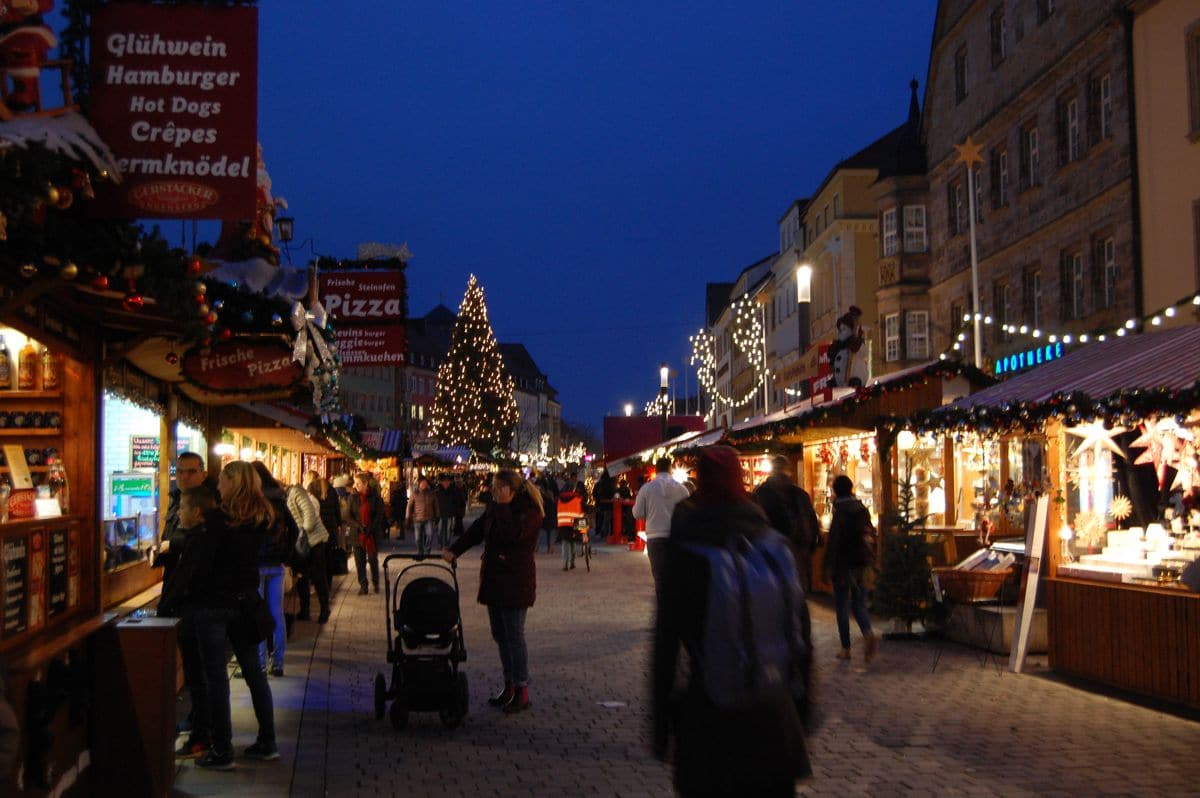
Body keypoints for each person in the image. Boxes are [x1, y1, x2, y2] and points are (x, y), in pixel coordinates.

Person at [652, 446, 812, 796]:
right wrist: (801, 711)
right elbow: (801, 633)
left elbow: (665, 645)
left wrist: (660, 726)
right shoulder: (774, 546)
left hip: (710, 719)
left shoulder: (687, 554)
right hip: (773, 721)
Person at [191, 461, 280, 769]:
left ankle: (222, 748)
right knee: (254, 673)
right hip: (245, 602)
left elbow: (205, 562)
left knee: (216, 678)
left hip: (214, 604)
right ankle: (268, 741)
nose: (218, 485)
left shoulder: (217, 520)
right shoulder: (260, 518)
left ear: (232, 483)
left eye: (222, 481)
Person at [442, 469, 543, 714]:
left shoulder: (527, 510)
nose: (494, 491)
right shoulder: (495, 508)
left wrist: (505, 506)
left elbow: (513, 536)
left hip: (515, 580)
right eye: (494, 487)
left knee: (514, 636)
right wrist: (454, 550)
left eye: (499, 487)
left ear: (512, 488)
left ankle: (521, 689)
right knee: (500, 635)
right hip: (495, 579)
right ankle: (509, 685)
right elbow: (477, 531)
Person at [159, 486, 218, 760]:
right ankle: (202, 732)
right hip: (196, 615)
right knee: (200, 678)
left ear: (196, 512)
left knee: (199, 678)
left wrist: (169, 605)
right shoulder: (197, 536)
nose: (178, 514)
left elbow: (188, 579)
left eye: (182, 509)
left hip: (196, 616)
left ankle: (201, 738)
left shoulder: (200, 541)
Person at [823, 474, 877, 663]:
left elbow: (834, 542)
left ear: (836, 491)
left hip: (843, 566)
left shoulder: (840, 512)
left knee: (842, 606)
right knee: (859, 604)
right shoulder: (863, 509)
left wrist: (827, 565)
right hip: (862, 564)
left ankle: (846, 648)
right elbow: (871, 533)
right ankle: (868, 633)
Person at [250, 462, 294, 677]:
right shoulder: (279, 498)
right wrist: (285, 556)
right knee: (277, 614)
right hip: (276, 564)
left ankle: (259, 664)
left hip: (256, 564)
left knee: (257, 614)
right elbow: (294, 529)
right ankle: (278, 662)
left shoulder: (252, 500)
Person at [753, 455, 822, 592]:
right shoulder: (800, 494)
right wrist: (812, 543)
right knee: (796, 590)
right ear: (788, 471)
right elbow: (812, 521)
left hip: (772, 550)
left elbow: (755, 522)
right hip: (798, 550)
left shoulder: (761, 493)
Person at [633, 457, 691, 600]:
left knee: (660, 577)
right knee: (676, 576)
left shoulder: (647, 488)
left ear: (656, 470)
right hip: (676, 537)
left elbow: (637, 513)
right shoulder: (682, 489)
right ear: (670, 469)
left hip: (655, 537)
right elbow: (689, 512)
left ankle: (665, 610)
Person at [157, 451, 217, 583]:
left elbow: (208, 538)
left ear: (203, 474)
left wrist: (172, 544)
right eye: (180, 471)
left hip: (196, 584)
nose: (184, 477)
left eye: (191, 472)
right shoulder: (174, 499)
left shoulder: (211, 502)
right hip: (173, 579)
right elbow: (168, 536)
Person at [288, 478, 331, 624]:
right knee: (302, 576)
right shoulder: (288, 496)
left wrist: (303, 532)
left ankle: (324, 608)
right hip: (301, 543)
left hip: (314, 541)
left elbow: (309, 515)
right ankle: (304, 610)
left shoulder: (296, 492)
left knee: (318, 575)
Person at [347, 472, 387, 593]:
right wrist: (358, 526)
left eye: (358, 483)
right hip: (357, 534)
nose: (355, 486)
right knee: (359, 562)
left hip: (371, 534)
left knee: (372, 560)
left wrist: (371, 527)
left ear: (365, 484)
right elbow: (348, 516)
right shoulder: (353, 498)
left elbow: (379, 515)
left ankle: (375, 583)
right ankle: (363, 585)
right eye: (355, 483)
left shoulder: (375, 497)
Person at [556, 479, 585, 570]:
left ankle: (565, 564)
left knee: (565, 542)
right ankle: (572, 562)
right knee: (573, 541)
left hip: (563, 523)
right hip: (574, 523)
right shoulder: (578, 498)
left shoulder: (560, 499)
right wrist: (583, 529)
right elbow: (582, 511)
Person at [406, 475, 439, 557]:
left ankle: (427, 550)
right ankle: (420, 551)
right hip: (417, 518)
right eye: (422, 483)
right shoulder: (414, 494)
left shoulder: (431, 493)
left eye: (425, 483)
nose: (424, 484)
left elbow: (436, 505)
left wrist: (437, 515)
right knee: (418, 538)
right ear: (419, 484)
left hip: (429, 518)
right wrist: (407, 518)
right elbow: (409, 506)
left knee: (430, 535)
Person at [435, 474, 458, 549]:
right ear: (441, 482)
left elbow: (456, 502)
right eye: (444, 481)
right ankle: (439, 544)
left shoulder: (453, 491)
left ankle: (447, 545)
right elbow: (435, 503)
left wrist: (454, 511)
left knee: (448, 531)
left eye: (447, 481)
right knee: (440, 531)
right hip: (440, 514)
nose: (446, 483)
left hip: (449, 514)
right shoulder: (438, 491)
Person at [592, 469, 616, 541]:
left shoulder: (599, 483)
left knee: (601, 518)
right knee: (608, 519)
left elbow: (595, 493)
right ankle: (607, 533)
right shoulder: (610, 483)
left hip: (600, 503)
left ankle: (600, 531)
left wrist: (598, 500)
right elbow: (612, 492)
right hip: (608, 504)